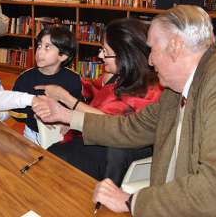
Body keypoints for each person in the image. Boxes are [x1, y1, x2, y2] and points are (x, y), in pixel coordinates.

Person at [33, 5, 216, 217]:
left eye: (152, 50)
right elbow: (132, 127)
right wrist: (65, 115)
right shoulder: (177, 90)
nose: (149, 60)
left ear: (174, 46)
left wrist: (131, 201)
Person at [34, 18, 162, 184]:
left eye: (105, 51)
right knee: (49, 160)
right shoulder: (120, 76)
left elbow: (117, 125)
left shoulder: (151, 91)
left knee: (53, 167)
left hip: (114, 157)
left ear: (126, 55)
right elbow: (93, 93)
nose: (100, 55)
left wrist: (67, 102)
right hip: (96, 144)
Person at [8, 25, 82, 145]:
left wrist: (69, 124)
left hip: (61, 136)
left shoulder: (73, 79)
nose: (39, 52)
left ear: (62, 56)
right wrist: (35, 115)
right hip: (32, 135)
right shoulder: (25, 78)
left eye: (47, 47)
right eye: (39, 46)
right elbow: (14, 111)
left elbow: (78, 108)